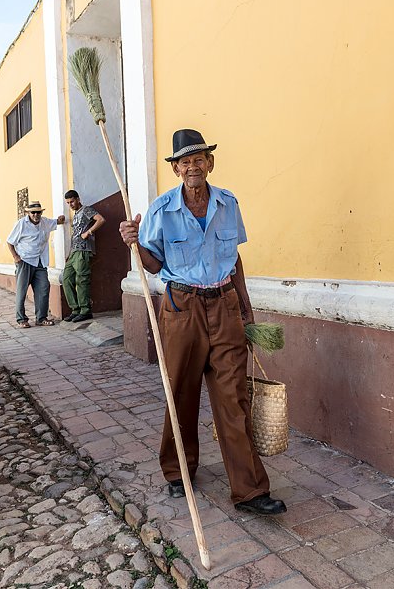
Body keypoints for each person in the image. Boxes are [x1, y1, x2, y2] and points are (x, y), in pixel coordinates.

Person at [120, 129, 287, 516]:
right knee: (180, 391)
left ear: (209, 163)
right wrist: (134, 243)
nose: (193, 166)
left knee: (234, 397)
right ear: (176, 169)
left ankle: (250, 491)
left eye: (199, 159)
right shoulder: (162, 210)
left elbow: (236, 259)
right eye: (185, 161)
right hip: (182, 308)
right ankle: (178, 470)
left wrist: (245, 308)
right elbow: (154, 264)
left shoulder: (228, 203)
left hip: (225, 306)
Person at [7, 200, 65, 328]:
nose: (35, 215)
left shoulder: (45, 222)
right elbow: (9, 241)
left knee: (44, 288)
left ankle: (41, 318)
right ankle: (21, 319)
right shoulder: (21, 224)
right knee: (21, 291)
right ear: (28, 213)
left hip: (40, 262)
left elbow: (57, 222)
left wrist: (62, 218)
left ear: (41, 212)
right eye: (33, 212)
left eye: (38, 212)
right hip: (25, 261)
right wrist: (16, 257)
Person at [62, 190, 105, 322]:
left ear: (78, 199)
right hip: (74, 251)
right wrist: (69, 253)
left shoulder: (86, 210)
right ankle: (75, 309)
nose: (71, 204)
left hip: (83, 250)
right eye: (68, 203)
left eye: (72, 201)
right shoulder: (75, 214)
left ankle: (85, 310)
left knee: (81, 280)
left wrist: (89, 232)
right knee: (66, 279)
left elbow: (101, 219)